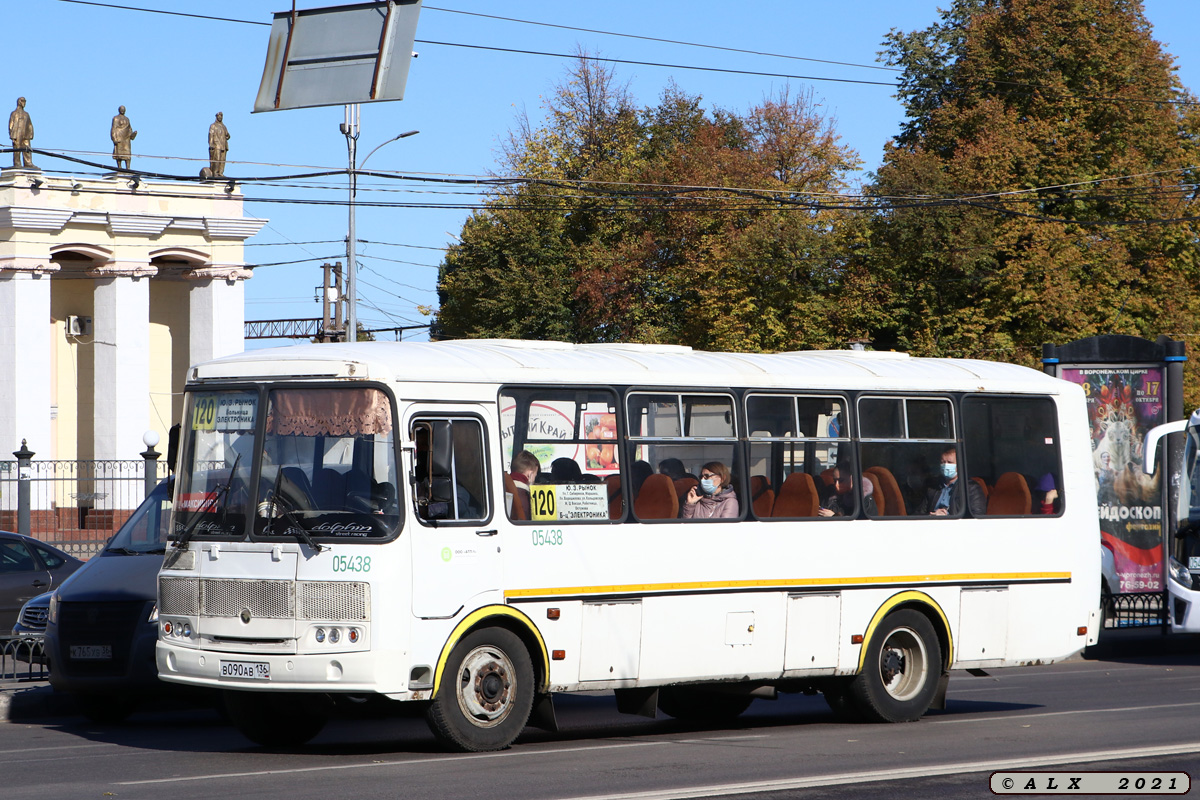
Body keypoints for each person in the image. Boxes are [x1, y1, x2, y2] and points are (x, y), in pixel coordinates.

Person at [918, 446, 986, 516]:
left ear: (959, 465)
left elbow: (977, 516)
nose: (946, 465)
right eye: (943, 462)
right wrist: (931, 516)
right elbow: (919, 514)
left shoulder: (971, 488)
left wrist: (948, 517)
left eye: (950, 462)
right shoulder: (933, 487)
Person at [8, 97, 34, 169]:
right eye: (22, 101)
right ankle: (17, 163)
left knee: (27, 149)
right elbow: (11, 124)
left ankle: (28, 163)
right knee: (17, 149)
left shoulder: (26, 114)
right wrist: (12, 135)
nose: (24, 103)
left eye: (25, 101)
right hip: (17, 133)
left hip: (25, 134)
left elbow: (30, 125)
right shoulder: (14, 113)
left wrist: (31, 134)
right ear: (19, 102)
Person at [111, 105, 137, 171]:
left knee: (127, 152)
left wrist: (132, 134)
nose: (122, 110)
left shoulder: (127, 119)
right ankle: (119, 167)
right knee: (119, 153)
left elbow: (129, 128)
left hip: (126, 138)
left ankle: (128, 167)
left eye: (123, 109)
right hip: (119, 136)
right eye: (121, 109)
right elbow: (113, 128)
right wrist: (114, 138)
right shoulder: (115, 118)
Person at [208, 111, 230, 177]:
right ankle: (215, 172)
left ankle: (220, 172)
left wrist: (228, 136)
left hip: (223, 145)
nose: (220, 117)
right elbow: (210, 135)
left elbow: (227, 135)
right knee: (217, 159)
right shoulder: (213, 126)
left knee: (222, 160)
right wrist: (211, 144)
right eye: (219, 116)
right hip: (216, 145)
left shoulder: (224, 127)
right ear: (216, 117)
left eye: (221, 116)